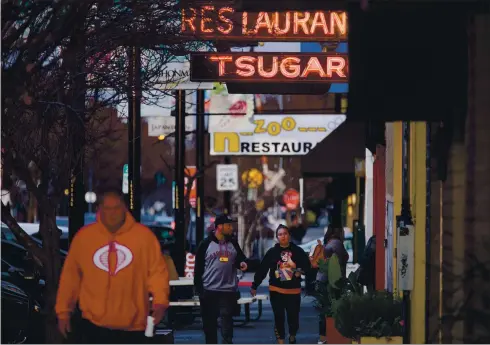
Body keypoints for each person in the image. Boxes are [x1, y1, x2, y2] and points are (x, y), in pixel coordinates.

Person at [55, 190, 170, 344]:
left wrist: (160, 303)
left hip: (133, 328)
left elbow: (157, 273)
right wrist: (63, 312)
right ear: (99, 210)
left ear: (124, 208)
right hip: (93, 326)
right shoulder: (85, 238)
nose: (112, 213)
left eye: (116, 208)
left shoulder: (144, 238)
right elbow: (71, 277)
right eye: (107, 208)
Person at [194, 214, 249, 344]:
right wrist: (199, 290)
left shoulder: (233, 243)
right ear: (219, 227)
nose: (231, 228)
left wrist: (243, 264)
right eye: (228, 225)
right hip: (209, 291)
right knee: (210, 326)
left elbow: (240, 259)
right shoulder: (205, 244)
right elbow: (198, 269)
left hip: (228, 291)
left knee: (227, 324)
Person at [251, 225, 311, 344]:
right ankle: (281, 341)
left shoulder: (297, 251)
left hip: (293, 291)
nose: (283, 236)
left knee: (293, 319)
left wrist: (299, 270)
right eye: (280, 234)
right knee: (279, 317)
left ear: (289, 235)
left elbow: (307, 266)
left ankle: (292, 336)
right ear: (277, 237)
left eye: (285, 234)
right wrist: (254, 285)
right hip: (276, 290)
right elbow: (262, 269)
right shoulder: (272, 252)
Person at [316, 226, 349, 344]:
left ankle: (322, 338)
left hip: (322, 280)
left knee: (323, 309)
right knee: (329, 309)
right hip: (330, 281)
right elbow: (341, 259)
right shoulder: (336, 243)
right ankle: (326, 337)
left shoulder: (329, 243)